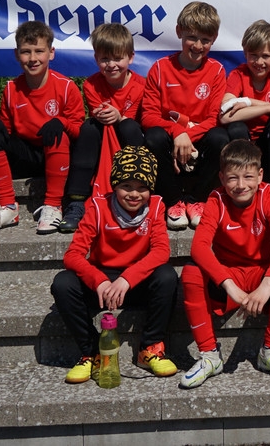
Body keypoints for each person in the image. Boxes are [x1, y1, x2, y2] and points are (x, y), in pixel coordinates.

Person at [50, 145, 179, 383]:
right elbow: (73, 255)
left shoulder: (157, 206)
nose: (134, 194)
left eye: (142, 188)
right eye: (126, 186)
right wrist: (98, 281)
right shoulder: (98, 206)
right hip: (103, 284)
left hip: (135, 283)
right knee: (62, 283)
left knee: (167, 276)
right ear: (115, 185)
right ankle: (91, 352)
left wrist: (127, 279)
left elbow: (161, 251)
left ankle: (150, 347)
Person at [179, 140, 270, 388]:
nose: (241, 185)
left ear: (260, 176)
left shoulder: (268, 197)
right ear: (222, 178)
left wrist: (267, 285)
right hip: (229, 276)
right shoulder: (216, 200)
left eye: (248, 177)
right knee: (191, 272)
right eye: (233, 178)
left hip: (260, 274)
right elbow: (199, 247)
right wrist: (229, 286)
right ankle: (210, 355)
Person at [0, 20, 85, 235]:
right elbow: (7, 130)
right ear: (17, 55)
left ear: (51, 53)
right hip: (26, 155)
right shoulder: (11, 89)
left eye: (39, 51)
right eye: (26, 52)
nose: (33, 58)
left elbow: (79, 131)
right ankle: (7, 206)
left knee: (58, 134)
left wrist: (62, 122)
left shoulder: (66, 87)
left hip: (58, 156)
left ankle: (53, 206)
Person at [142, 1, 230, 231]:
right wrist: (177, 132)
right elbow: (148, 116)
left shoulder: (217, 71)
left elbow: (214, 118)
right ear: (179, 31)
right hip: (171, 139)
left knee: (220, 137)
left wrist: (187, 136)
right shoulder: (160, 69)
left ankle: (197, 200)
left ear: (214, 39)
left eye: (205, 40)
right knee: (153, 137)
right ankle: (173, 202)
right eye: (192, 37)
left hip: (197, 138)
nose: (198, 46)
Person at [59, 23, 145, 233]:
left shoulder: (142, 85)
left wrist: (119, 117)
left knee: (129, 127)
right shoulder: (90, 85)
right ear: (96, 58)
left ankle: (139, 192)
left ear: (130, 58)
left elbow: (137, 121)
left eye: (117, 58)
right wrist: (111, 116)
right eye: (105, 59)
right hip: (102, 140)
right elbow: (100, 118)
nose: (111, 65)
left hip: (130, 140)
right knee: (89, 128)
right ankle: (77, 200)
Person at [220, 20, 270, 197]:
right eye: (253, 55)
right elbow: (225, 115)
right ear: (245, 53)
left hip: (269, 143)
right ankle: (244, 190)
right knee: (236, 127)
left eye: (265, 56)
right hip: (245, 140)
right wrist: (266, 107)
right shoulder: (238, 74)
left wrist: (246, 102)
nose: (259, 62)